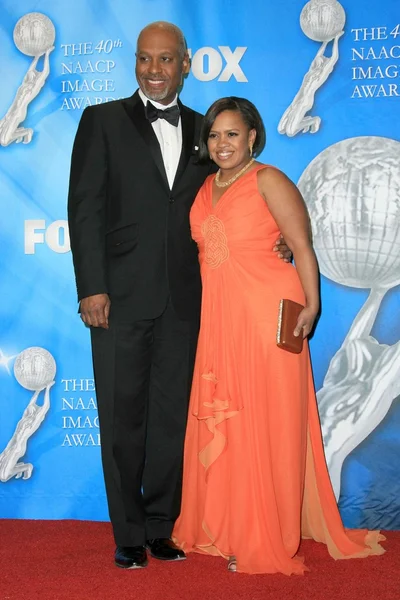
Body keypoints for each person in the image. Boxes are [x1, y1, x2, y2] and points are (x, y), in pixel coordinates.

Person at [67, 23, 290, 570]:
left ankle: (163, 527)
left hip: (189, 302)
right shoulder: (101, 120)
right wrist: (91, 287)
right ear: (135, 64)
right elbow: (85, 209)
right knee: (122, 418)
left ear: (185, 65)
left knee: (173, 418)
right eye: (145, 60)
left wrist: (277, 234)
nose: (154, 70)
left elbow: (234, 191)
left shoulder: (204, 131)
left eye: (166, 60)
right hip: (116, 299)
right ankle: (127, 533)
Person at [172, 97, 386, 574]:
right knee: (228, 421)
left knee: (264, 422)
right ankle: (225, 528)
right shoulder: (205, 187)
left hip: (269, 317)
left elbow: (303, 247)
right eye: (214, 135)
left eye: (232, 134)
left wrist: (312, 305)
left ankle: (263, 533)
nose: (221, 143)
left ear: (252, 136)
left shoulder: (269, 179)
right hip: (221, 321)